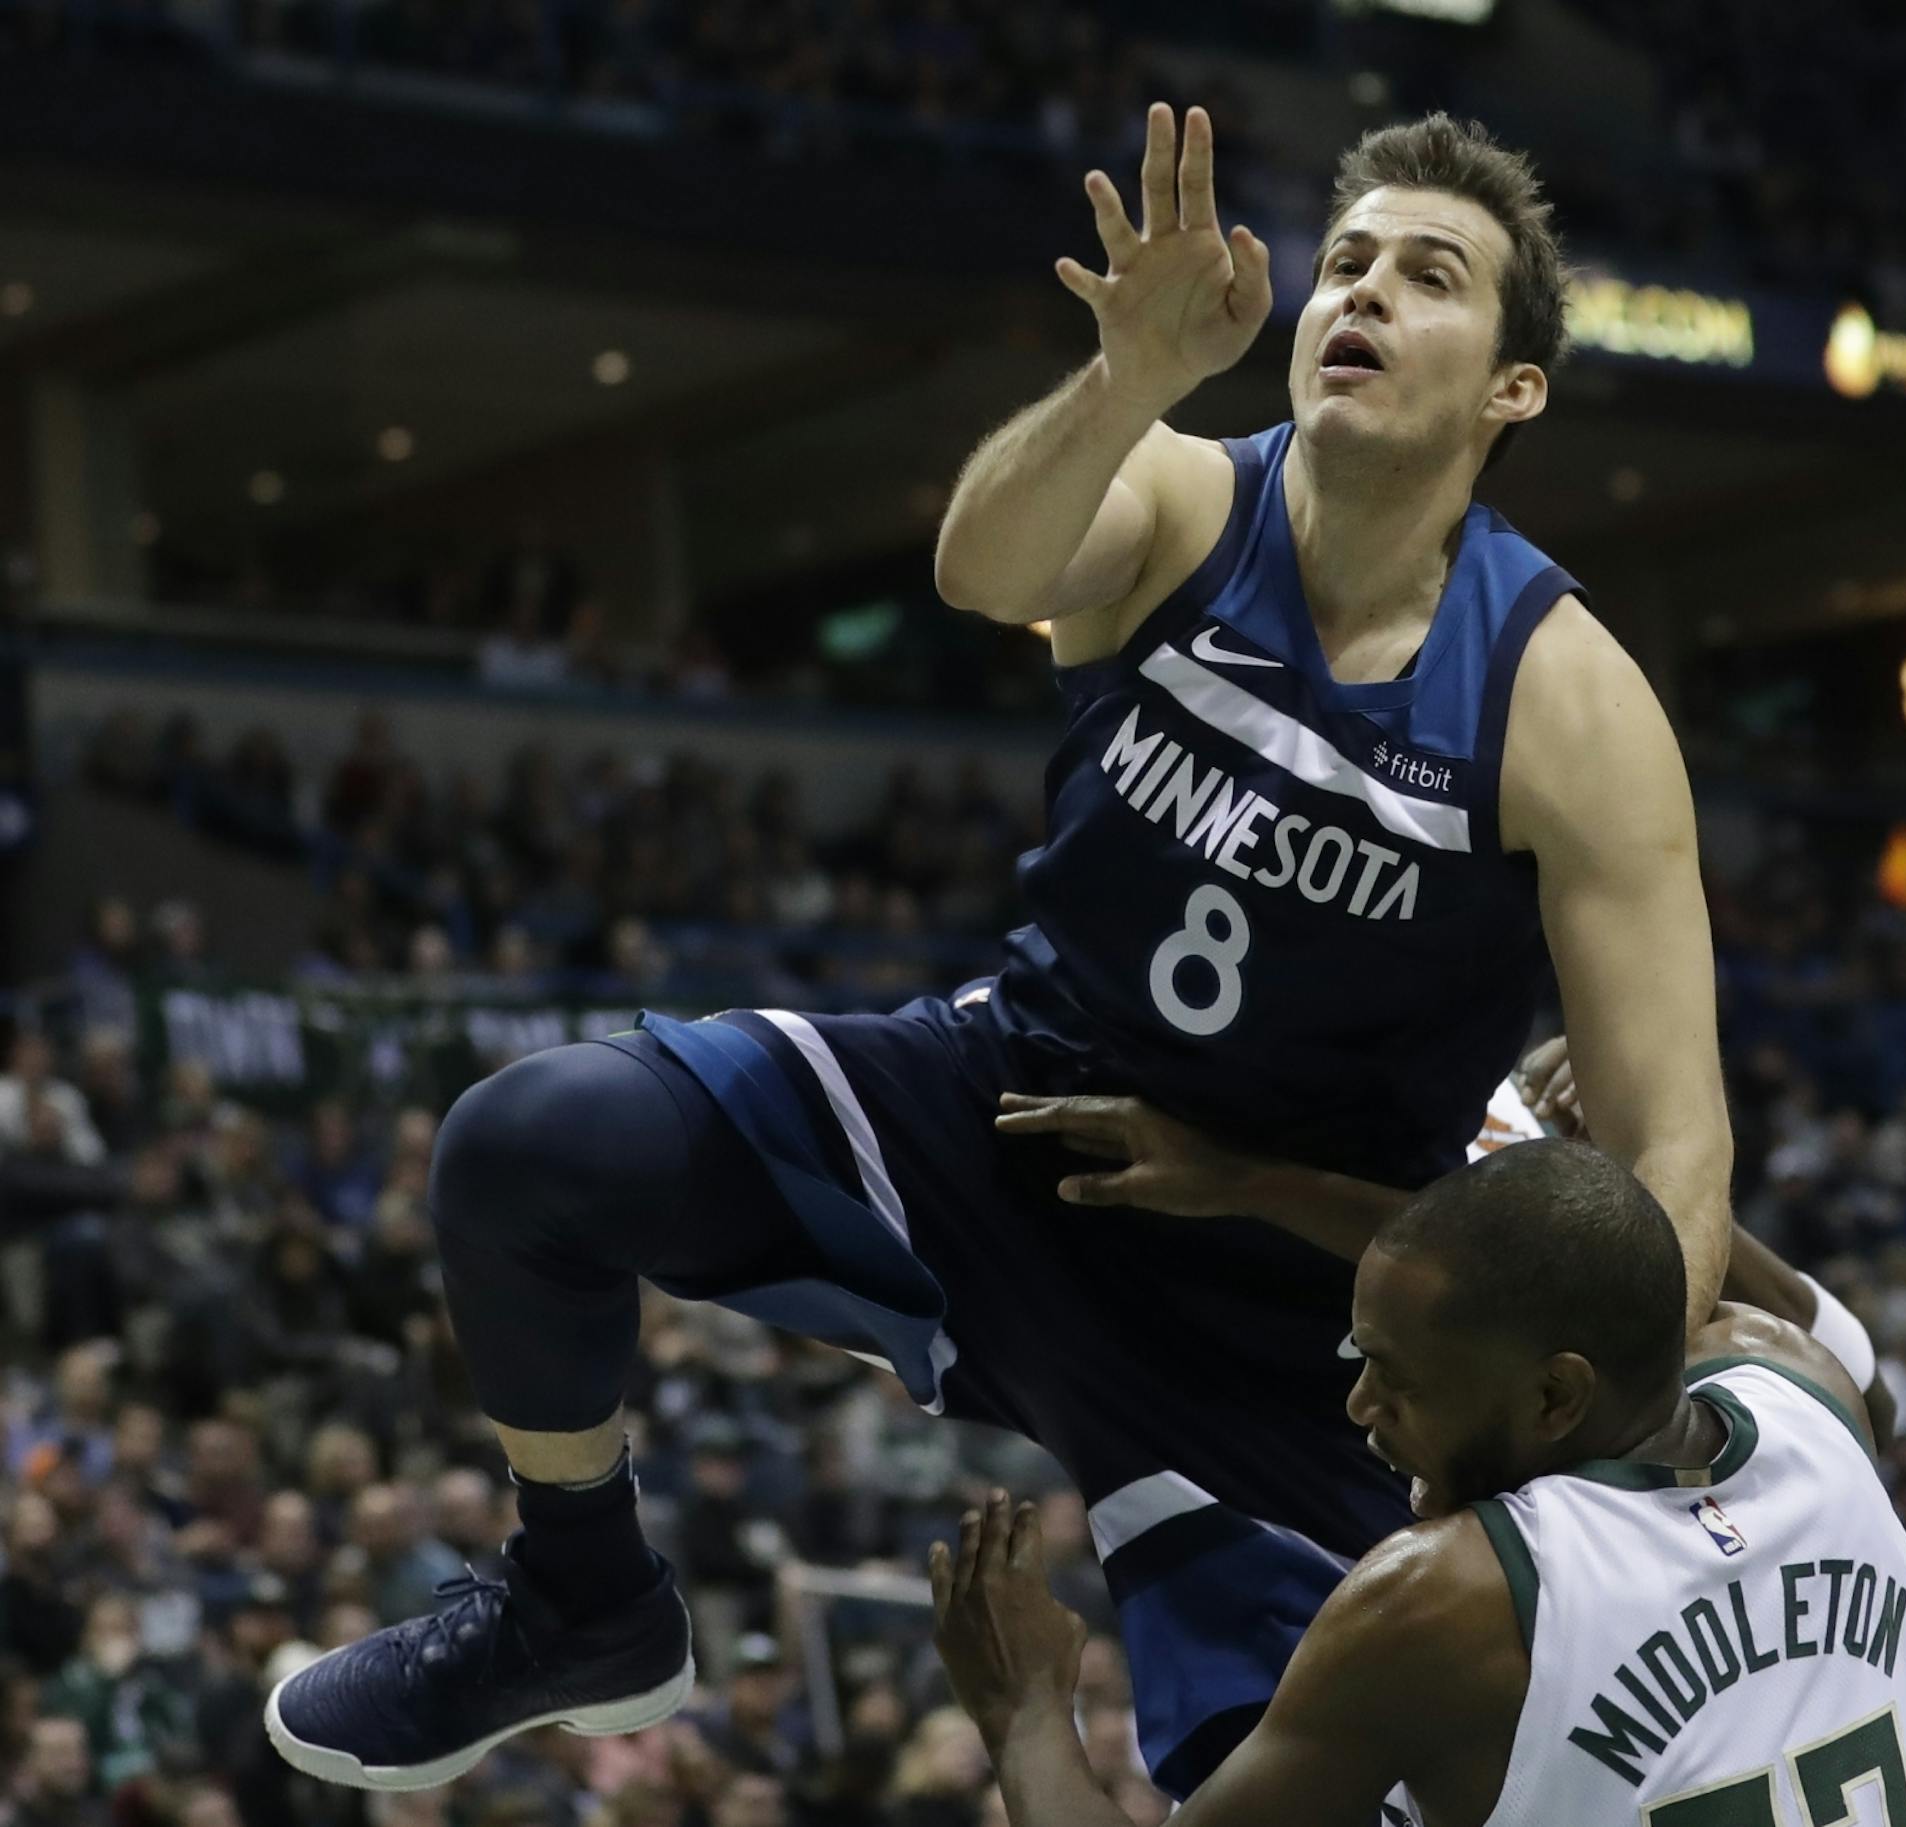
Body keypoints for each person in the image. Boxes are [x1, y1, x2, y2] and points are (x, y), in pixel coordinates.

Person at [267, 102, 1749, 1801]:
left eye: (1430, 279)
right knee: (524, 1147)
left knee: (1290, 1783)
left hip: (1293, 1320)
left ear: (1513, 387)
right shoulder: (1193, 500)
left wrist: (1625, 1469)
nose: (1365, 298)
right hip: (1005, 1111)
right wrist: (1127, 372)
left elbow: (1673, 1146)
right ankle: (582, 1599)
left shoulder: (1565, 700)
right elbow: (988, 567)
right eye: (1345, 264)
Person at [930, 1141, 1906, 1827]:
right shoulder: (1808, 1393)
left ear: (1557, 1397)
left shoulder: (1454, 1597)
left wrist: (1024, 1710)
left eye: (1402, 1379)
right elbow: (1651, 1284)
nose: (1362, 1407)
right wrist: (1262, 1185)